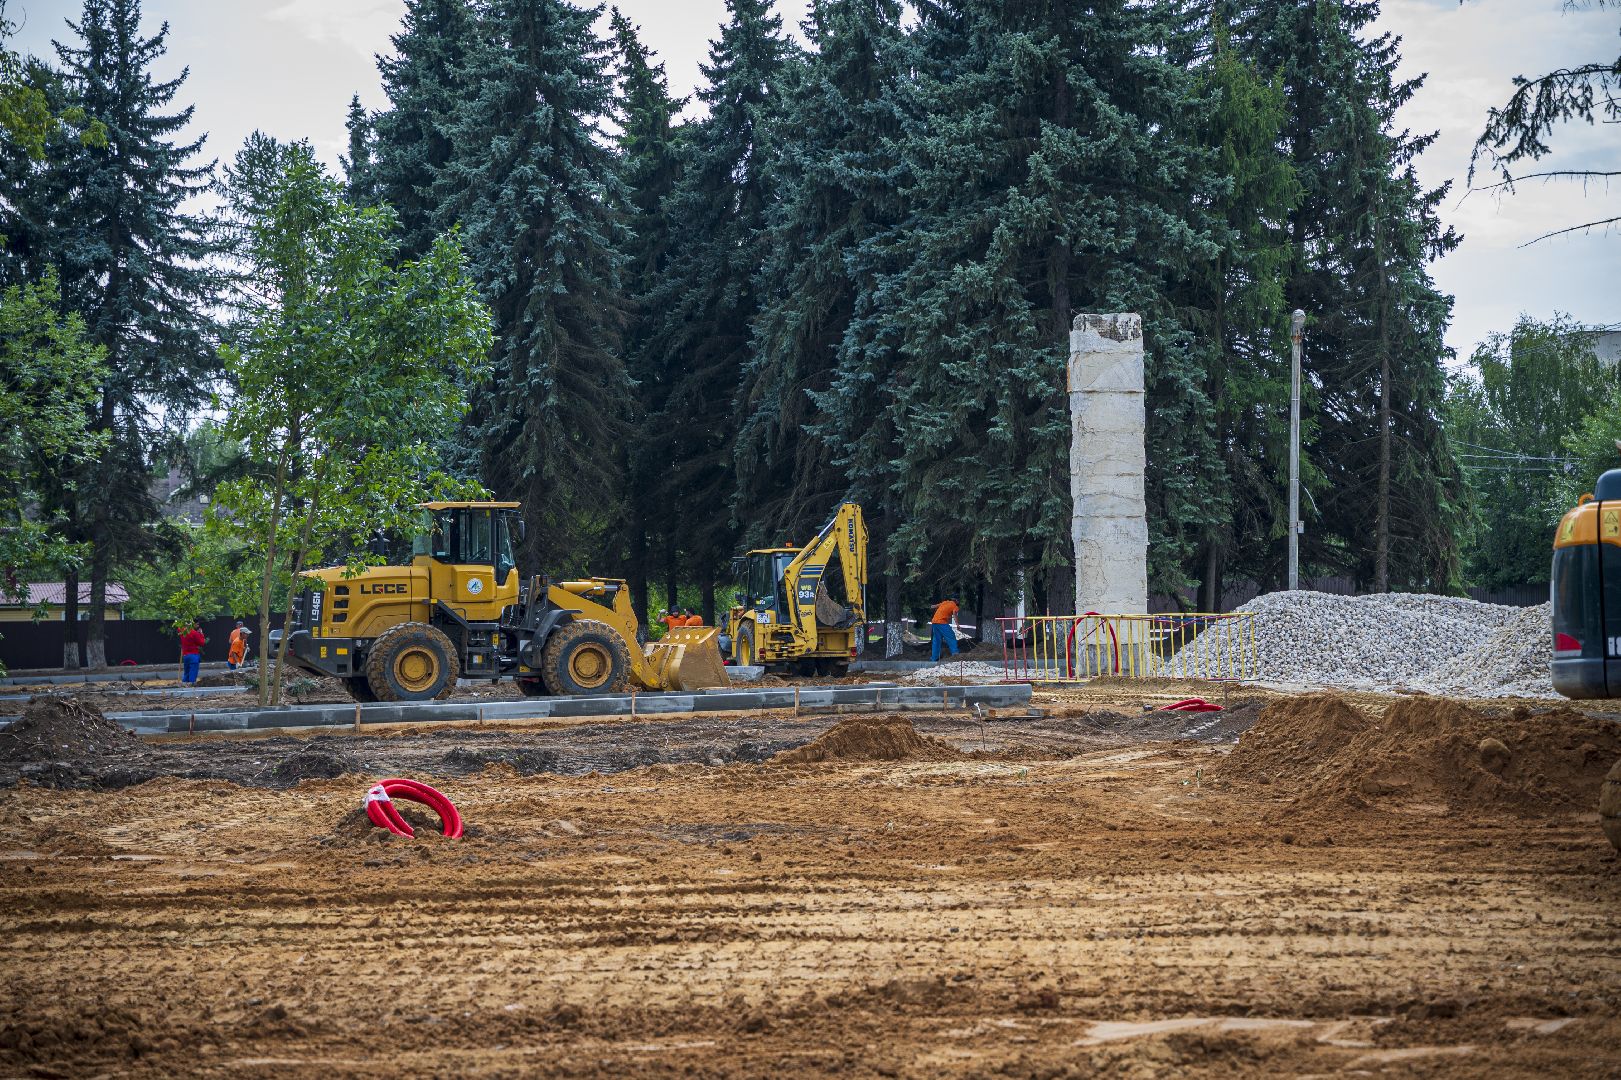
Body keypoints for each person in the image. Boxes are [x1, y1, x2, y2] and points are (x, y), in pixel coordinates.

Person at [929, 596, 960, 663]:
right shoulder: (955, 606)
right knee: (951, 637)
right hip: (942, 623)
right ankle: (955, 655)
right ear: (956, 601)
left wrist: (929, 606)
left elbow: (933, 606)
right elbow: (954, 614)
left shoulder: (945, 602)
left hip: (934, 622)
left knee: (936, 640)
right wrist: (957, 625)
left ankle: (934, 658)